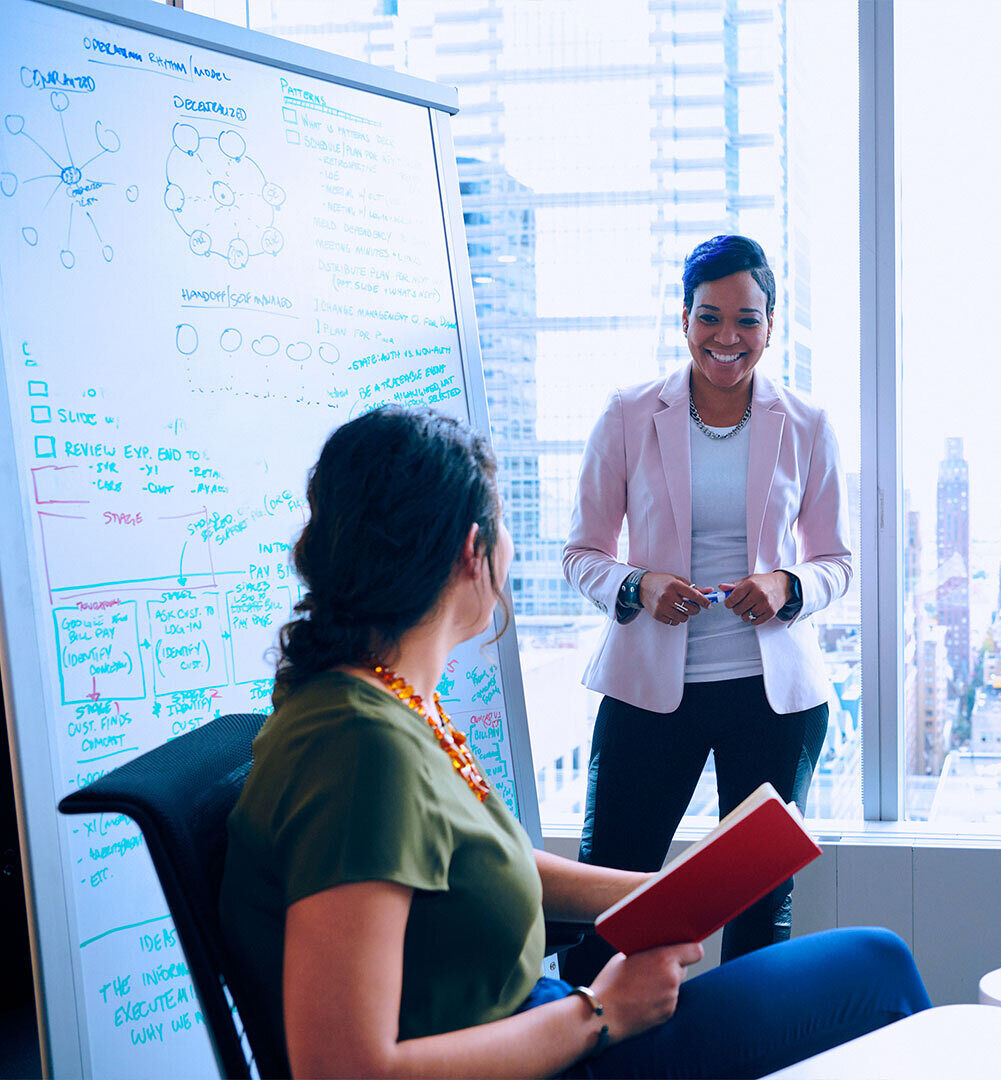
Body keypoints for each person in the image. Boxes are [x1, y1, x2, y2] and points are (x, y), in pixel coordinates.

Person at [219, 407, 927, 1079]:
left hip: (549, 1027)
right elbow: (345, 1068)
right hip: (563, 1049)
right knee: (880, 969)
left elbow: (480, 858)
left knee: (867, 965)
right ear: (474, 552)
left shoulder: (380, 702)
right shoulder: (358, 750)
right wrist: (601, 1013)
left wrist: (665, 894)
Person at [560, 235, 850, 984]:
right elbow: (582, 552)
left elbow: (837, 562)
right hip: (649, 694)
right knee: (609, 912)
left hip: (773, 701)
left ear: (772, 324)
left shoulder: (807, 423)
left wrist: (788, 584)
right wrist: (638, 586)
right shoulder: (628, 415)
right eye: (710, 317)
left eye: (747, 320)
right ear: (683, 318)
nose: (728, 338)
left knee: (758, 915)